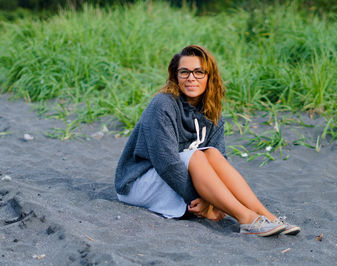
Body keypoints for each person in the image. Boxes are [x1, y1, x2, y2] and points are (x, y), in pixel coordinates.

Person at [115, 45, 300, 236]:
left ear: (209, 76)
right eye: (184, 72)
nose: (191, 78)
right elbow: (167, 163)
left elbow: (219, 161)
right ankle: (247, 219)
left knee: (211, 153)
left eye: (198, 72)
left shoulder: (212, 110)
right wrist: (203, 200)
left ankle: (266, 216)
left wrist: (212, 200)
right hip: (139, 182)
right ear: (175, 76)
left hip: (178, 178)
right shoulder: (163, 104)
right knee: (195, 155)